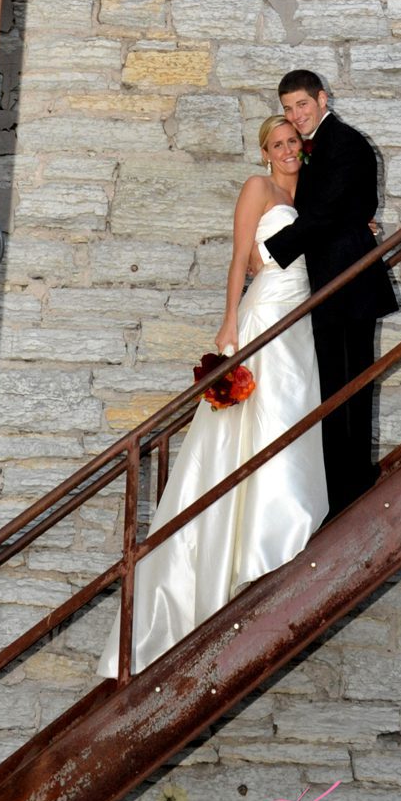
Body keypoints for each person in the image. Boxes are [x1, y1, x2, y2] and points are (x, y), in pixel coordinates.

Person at [98, 115, 327, 678]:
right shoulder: (259, 188)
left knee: (293, 412)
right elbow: (239, 257)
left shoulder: (310, 195)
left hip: (301, 317)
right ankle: (248, 547)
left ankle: (275, 527)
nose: (287, 150)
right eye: (277, 144)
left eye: (293, 142)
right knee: (260, 419)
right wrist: (228, 322)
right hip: (266, 311)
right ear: (265, 152)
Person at [263, 68, 398, 517]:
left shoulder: (345, 143)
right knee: (333, 386)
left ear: (322, 99)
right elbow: (334, 209)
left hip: (348, 285)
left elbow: (322, 214)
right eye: (288, 108)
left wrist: (269, 253)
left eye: (302, 104)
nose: (296, 115)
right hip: (327, 284)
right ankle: (339, 485)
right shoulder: (313, 147)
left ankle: (351, 487)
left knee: (349, 384)